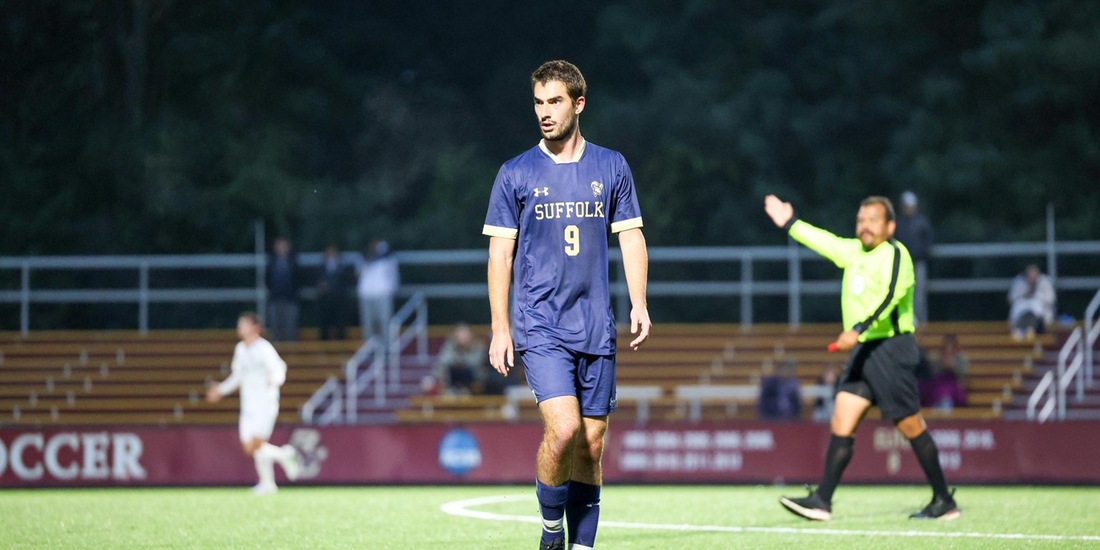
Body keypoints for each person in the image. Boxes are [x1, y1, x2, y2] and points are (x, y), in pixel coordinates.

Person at [484, 60, 651, 550]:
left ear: (579, 104)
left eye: (554, 101)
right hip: (541, 326)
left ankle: (582, 546)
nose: (544, 112)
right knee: (563, 430)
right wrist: (500, 326)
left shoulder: (611, 166)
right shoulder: (515, 173)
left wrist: (638, 302)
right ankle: (552, 529)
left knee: (592, 444)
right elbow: (501, 253)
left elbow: (632, 236)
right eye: (538, 102)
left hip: (595, 325)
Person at [764, 194, 960, 521]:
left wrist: (859, 328)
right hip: (863, 351)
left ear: (890, 226)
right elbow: (823, 241)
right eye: (861, 219)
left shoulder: (897, 254)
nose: (864, 226)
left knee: (910, 424)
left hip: (891, 349)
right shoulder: (853, 252)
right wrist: (791, 222)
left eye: (872, 219)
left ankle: (943, 500)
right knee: (842, 419)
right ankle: (822, 501)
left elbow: (891, 297)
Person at [206, 312, 299, 494]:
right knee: (251, 447)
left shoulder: (264, 348)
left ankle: (270, 478)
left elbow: (280, 369)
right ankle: (277, 465)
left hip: (265, 403)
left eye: (244, 324)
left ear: (256, 328)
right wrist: (221, 390)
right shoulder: (240, 349)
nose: (240, 327)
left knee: (255, 444)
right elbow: (237, 377)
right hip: (248, 405)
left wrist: (275, 380)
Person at [893, 191, 933, 325]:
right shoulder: (898, 223)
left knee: (919, 294)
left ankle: (920, 322)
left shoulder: (921, 222)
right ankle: (904, 320)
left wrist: (920, 254)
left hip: (918, 262)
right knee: (901, 291)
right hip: (902, 264)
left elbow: (928, 242)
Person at [356, 239, 400, 343]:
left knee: (385, 323)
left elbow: (393, 276)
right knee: (368, 324)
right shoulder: (363, 258)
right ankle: (369, 351)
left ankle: (387, 350)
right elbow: (359, 271)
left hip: (383, 294)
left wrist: (393, 290)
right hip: (367, 295)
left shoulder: (389, 259)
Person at [432, 323, 489, 395]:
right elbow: (444, 360)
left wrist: (461, 360)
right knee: (443, 371)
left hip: (472, 376)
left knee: (469, 371)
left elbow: (476, 361)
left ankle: (467, 391)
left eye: (465, 335)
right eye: (459, 335)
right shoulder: (450, 345)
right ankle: (451, 392)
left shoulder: (478, 345)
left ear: (470, 335)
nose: (462, 338)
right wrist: (458, 358)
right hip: (453, 376)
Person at [1007, 264, 1056, 341]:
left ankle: (1029, 329)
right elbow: (1011, 298)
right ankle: (1021, 330)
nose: (1032, 278)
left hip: (1041, 319)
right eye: (1030, 275)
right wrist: (1024, 295)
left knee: (1035, 306)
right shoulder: (1019, 282)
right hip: (1021, 312)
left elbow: (1051, 299)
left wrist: (1035, 296)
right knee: (1019, 306)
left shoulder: (1044, 282)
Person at [265, 237, 300, 342]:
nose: (281, 248)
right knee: (274, 329)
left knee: (291, 329)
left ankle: (293, 355)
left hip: (290, 299)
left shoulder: (294, 261)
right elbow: (267, 279)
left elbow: (299, 280)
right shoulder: (271, 261)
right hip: (275, 298)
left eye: (283, 245)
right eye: (279, 245)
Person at [316, 244, 352, 341]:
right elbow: (317, 281)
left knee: (340, 324)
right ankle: (323, 349)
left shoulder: (343, 266)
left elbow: (347, 281)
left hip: (339, 300)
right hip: (325, 300)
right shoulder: (321, 266)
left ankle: (341, 348)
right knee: (324, 325)